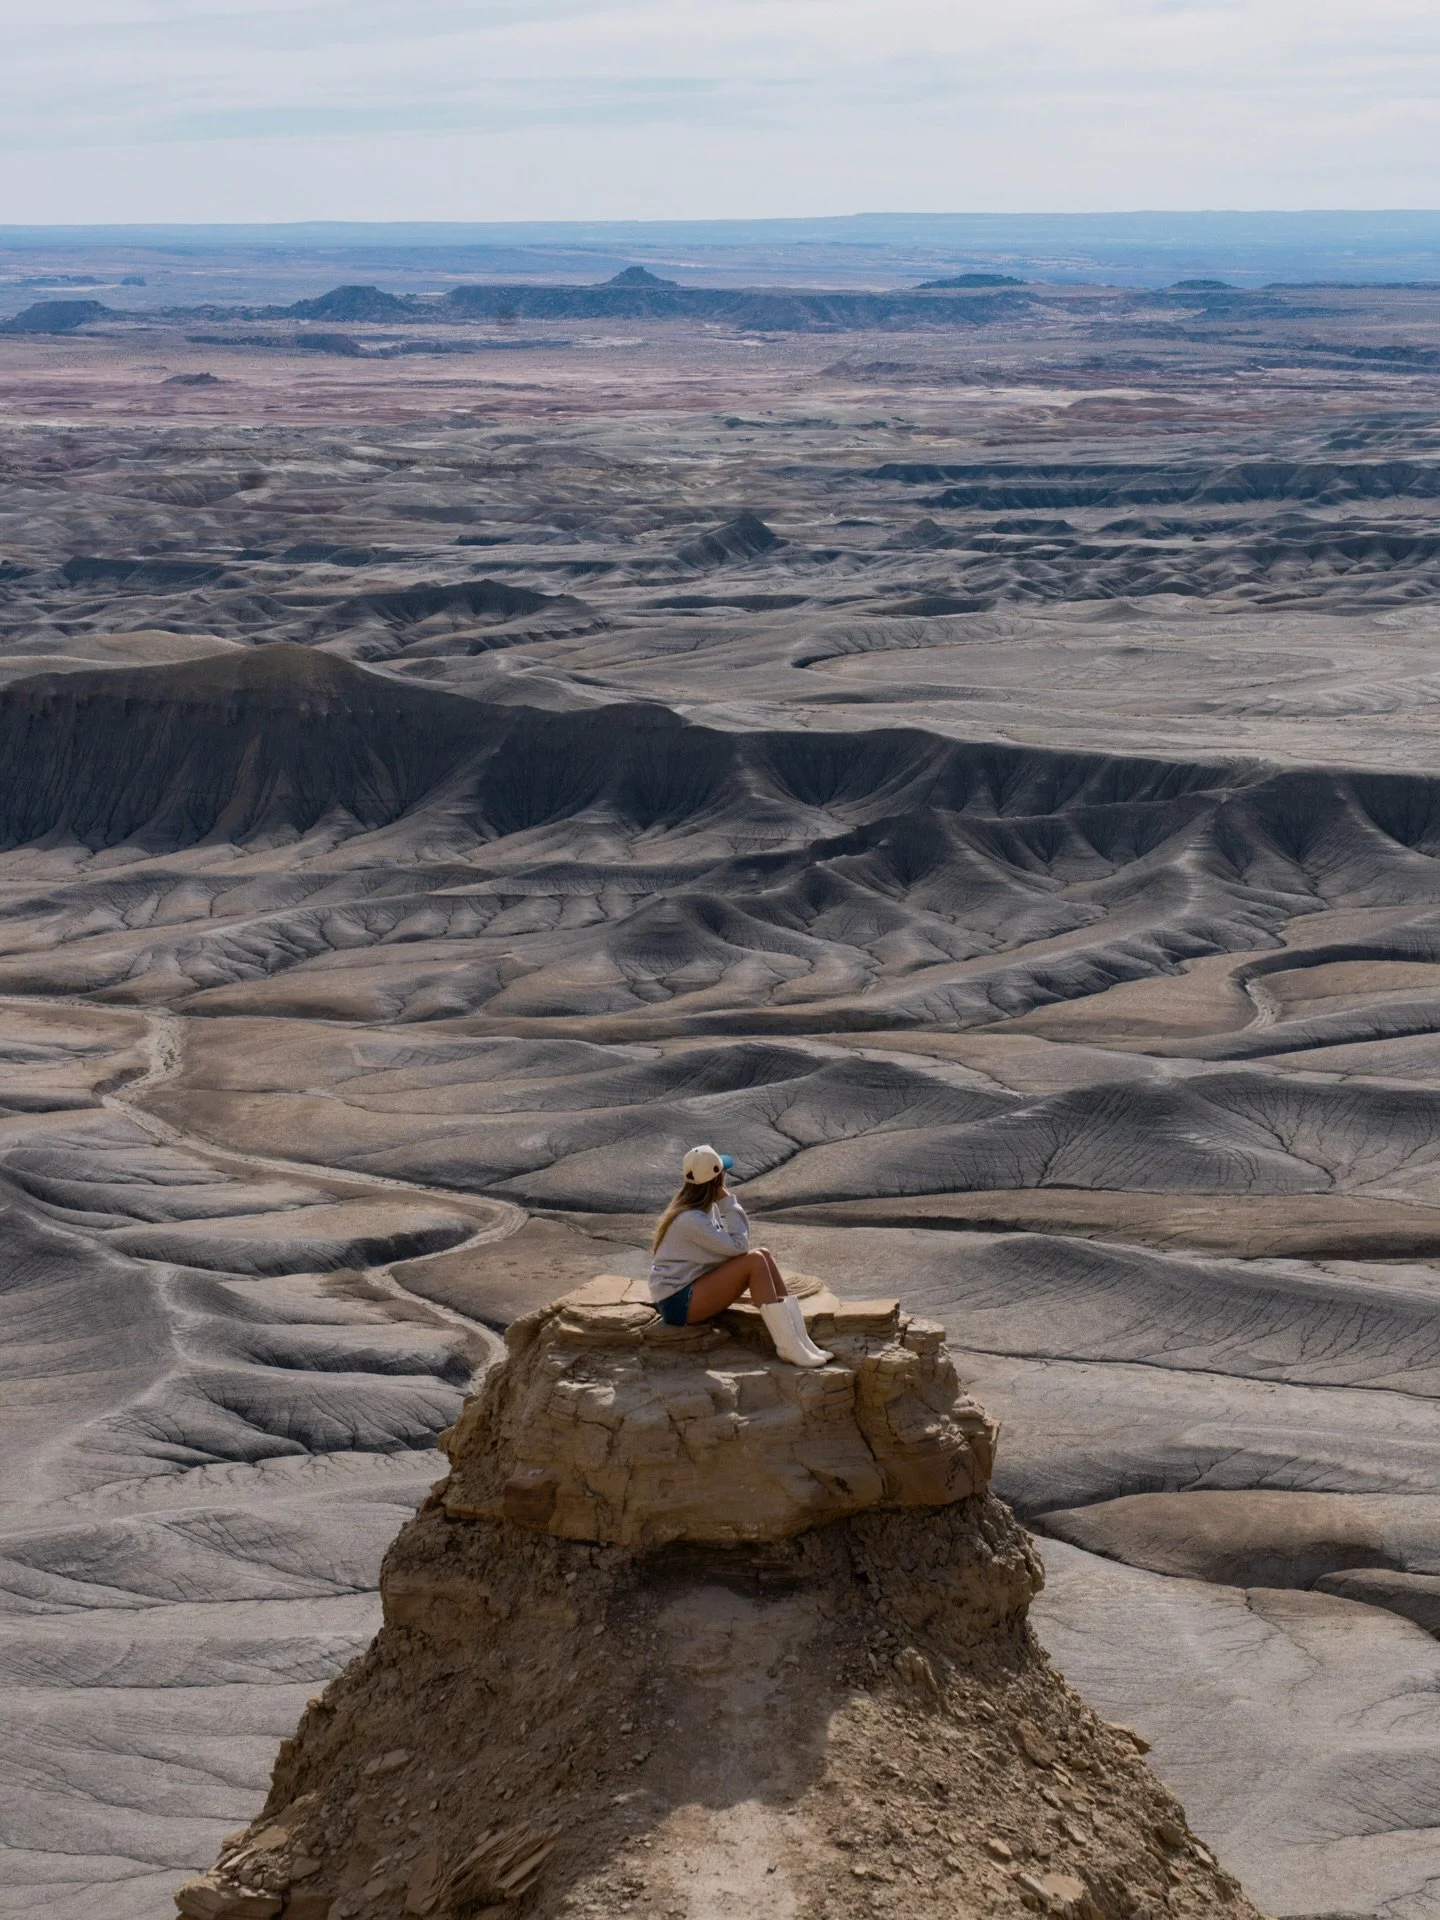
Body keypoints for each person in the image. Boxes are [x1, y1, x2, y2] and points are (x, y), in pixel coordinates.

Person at [648, 1144, 832, 1368]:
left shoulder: (700, 1210)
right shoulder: (691, 1219)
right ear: (717, 1180)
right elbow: (740, 1245)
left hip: (687, 1291)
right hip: (678, 1303)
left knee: (762, 1254)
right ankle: (789, 1346)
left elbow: (730, 1249)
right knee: (754, 1260)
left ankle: (801, 1341)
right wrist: (729, 1202)